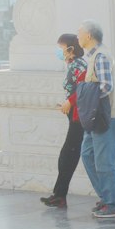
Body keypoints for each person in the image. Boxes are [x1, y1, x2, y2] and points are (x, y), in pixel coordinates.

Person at [77, 19, 115, 219]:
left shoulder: (101, 56)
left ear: (89, 36)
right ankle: (107, 198)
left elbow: (106, 86)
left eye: (79, 32)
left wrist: (85, 98)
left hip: (105, 117)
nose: (77, 35)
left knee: (106, 163)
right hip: (95, 118)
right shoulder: (93, 56)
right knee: (88, 155)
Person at [40, 33, 87, 208]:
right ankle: (59, 195)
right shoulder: (72, 65)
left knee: (68, 155)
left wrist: (70, 102)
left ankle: (59, 195)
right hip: (73, 113)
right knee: (68, 155)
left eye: (61, 48)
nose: (59, 51)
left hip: (79, 115)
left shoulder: (79, 65)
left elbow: (84, 89)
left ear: (70, 49)